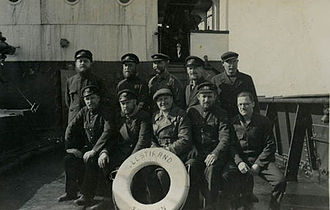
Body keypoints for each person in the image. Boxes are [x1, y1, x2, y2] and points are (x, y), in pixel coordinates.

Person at [226, 92, 286, 210]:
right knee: (226, 176)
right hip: (241, 161)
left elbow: (270, 145)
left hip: (260, 160)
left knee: (280, 181)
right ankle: (237, 205)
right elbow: (231, 146)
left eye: (246, 104)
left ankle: (273, 207)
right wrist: (239, 162)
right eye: (240, 105)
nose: (243, 107)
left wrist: (258, 164)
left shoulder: (264, 121)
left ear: (253, 104)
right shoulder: (232, 123)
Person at [60, 85, 117, 207]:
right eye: (87, 99)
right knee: (68, 159)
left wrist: (95, 150)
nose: (90, 101)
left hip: (106, 147)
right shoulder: (84, 111)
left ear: (99, 98)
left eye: (92, 98)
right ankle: (71, 192)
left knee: (91, 160)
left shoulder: (106, 112)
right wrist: (70, 148)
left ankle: (87, 195)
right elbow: (71, 127)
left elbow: (108, 132)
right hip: (89, 147)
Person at [186, 82, 231, 210]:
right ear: (198, 97)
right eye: (203, 96)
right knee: (190, 166)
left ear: (215, 97)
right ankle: (192, 205)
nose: (206, 99)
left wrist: (215, 153)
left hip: (215, 153)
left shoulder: (221, 113)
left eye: (209, 96)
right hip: (198, 152)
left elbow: (225, 138)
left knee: (211, 170)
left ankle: (210, 206)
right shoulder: (191, 111)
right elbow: (186, 132)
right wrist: (192, 146)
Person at [151, 87, 192, 203]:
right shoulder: (154, 117)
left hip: (177, 155)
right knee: (147, 172)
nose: (163, 102)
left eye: (166, 98)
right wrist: (155, 149)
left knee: (162, 174)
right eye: (160, 100)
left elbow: (185, 139)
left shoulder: (180, 115)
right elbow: (151, 138)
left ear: (172, 99)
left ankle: (172, 204)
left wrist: (168, 150)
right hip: (158, 155)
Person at [211, 51, 259, 118]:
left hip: (242, 119)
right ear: (223, 63)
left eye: (234, 61)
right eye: (229, 62)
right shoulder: (216, 80)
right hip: (224, 118)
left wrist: (256, 120)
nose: (232, 65)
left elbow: (254, 100)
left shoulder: (246, 79)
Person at [65, 49, 108, 123]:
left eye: (85, 61)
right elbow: (68, 102)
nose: (82, 63)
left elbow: (103, 100)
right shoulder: (70, 81)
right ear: (75, 63)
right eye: (80, 61)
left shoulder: (97, 81)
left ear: (90, 63)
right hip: (74, 118)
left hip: (92, 118)